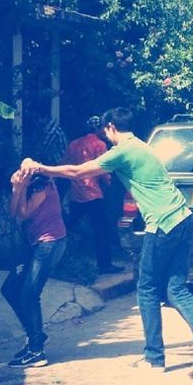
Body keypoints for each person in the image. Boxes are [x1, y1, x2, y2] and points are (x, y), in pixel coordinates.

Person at [22, 106, 193, 378]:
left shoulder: (123, 150)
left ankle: (154, 358)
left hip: (164, 222)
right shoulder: (141, 146)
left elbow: (79, 172)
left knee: (146, 290)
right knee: (175, 288)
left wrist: (40, 167)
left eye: (105, 131)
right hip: (183, 218)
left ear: (109, 127)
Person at [1, 165, 68, 367]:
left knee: (29, 294)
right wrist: (17, 189)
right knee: (10, 289)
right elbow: (13, 213)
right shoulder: (27, 187)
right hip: (36, 246)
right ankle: (34, 336)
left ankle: (37, 351)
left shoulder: (43, 185)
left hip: (49, 244)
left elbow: (22, 214)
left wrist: (20, 187)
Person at [64, 115, 121, 274]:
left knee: (69, 225)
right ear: (97, 129)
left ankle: (62, 256)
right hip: (94, 194)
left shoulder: (73, 144)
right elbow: (104, 169)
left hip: (76, 194)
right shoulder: (99, 144)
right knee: (102, 229)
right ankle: (104, 265)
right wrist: (108, 182)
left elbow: (64, 164)